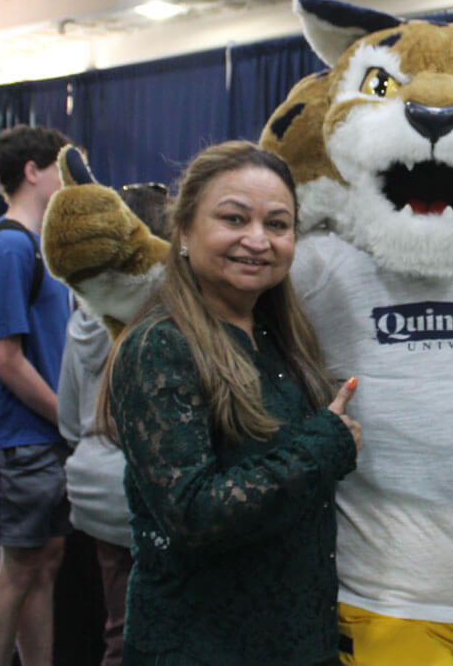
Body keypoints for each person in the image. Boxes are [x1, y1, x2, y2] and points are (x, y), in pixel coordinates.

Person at [100, 140, 362, 665]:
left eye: (278, 225)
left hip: (297, 644)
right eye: (234, 218)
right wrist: (323, 447)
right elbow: (194, 514)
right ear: (183, 231)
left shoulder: (279, 336)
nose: (257, 240)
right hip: (202, 647)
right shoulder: (161, 344)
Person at [0, 124, 75, 666]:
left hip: (44, 436)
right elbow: (3, 359)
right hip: (21, 438)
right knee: (17, 568)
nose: (68, 179)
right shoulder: (12, 248)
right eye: (60, 166)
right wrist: (68, 419)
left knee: (45, 561)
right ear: (33, 172)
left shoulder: (35, 248)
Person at [57, 181, 170, 666]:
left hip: (93, 486)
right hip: (142, 489)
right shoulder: (165, 312)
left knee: (119, 626)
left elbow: (67, 417)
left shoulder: (83, 316)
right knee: (143, 637)